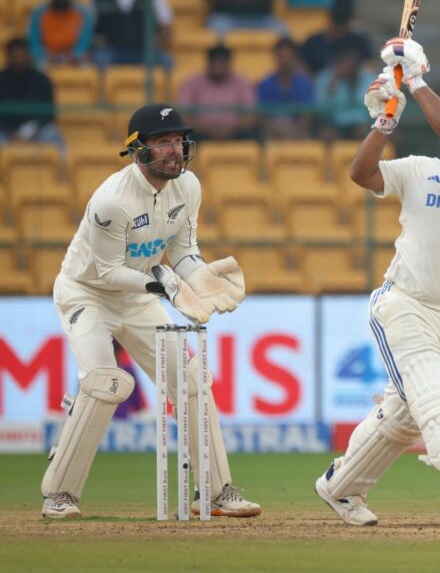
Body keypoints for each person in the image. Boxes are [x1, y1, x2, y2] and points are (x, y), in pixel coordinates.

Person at [314, 37, 440, 528]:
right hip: (403, 304)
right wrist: (385, 121)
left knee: (406, 416)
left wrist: (416, 80)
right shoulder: (419, 171)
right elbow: (361, 173)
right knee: (437, 398)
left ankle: (340, 486)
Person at [41, 103, 262, 519]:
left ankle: (215, 492)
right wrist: (167, 287)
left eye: (178, 141)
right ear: (138, 150)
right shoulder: (111, 200)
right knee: (105, 382)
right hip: (86, 293)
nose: (174, 150)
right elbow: (107, 272)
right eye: (163, 142)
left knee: (193, 379)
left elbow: (183, 252)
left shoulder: (188, 187)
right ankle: (60, 493)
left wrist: (200, 280)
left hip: (139, 295)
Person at [176, 44, 257, 141]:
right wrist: (208, 130)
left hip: (235, 133)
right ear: (208, 62)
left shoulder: (242, 83)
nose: (218, 65)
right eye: (215, 61)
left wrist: (230, 129)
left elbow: (250, 116)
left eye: (222, 61)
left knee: (252, 135)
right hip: (200, 133)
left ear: (229, 63)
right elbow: (184, 115)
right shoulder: (192, 83)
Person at [314, 37, 375, 140]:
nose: (349, 64)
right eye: (345, 60)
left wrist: (354, 82)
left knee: (364, 132)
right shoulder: (325, 77)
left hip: (360, 124)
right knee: (327, 134)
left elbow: (375, 107)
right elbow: (320, 108)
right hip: (333, 124)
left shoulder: (368, 78)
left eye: (353, 60)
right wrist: (334, 81)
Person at [0, 38, 58, 145]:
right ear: (8, 58)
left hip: (36, 130)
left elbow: (48, 115)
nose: (19, 61)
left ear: (28, 56)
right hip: (6, 131)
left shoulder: (42, 81)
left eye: (22, 56)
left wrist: (31, 130)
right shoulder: (1, 80)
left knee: (53, 136)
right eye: (15, 57)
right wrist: (10, 132)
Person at [28, 0, 93, 67]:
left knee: (87, 68)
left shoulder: (83, 13)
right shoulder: (38, 13)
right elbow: (34, 41)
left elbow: (85, 40)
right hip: (46, 57)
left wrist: (74, 55)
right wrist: (46, 55)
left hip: (74, 57)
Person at [256, 37, 315, 139]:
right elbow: (261, 116)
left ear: (295, 58)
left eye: (288, 57)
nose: (284, 61)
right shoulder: (265, 84)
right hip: (272, 132)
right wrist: (276, 131)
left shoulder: (305, 84)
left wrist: (294, 131)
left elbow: (308, 115)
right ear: (275, 58)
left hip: (298, 132)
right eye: (281, 57)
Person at [299, 1, 372, 76]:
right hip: (319, 83)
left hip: (352, 83)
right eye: (336, 24)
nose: (339, 29)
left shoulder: (358, 42)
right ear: (330, 21)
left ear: (348, 23)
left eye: (342, 24)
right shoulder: (313, 42)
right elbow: (301, 68)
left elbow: (369, 68)